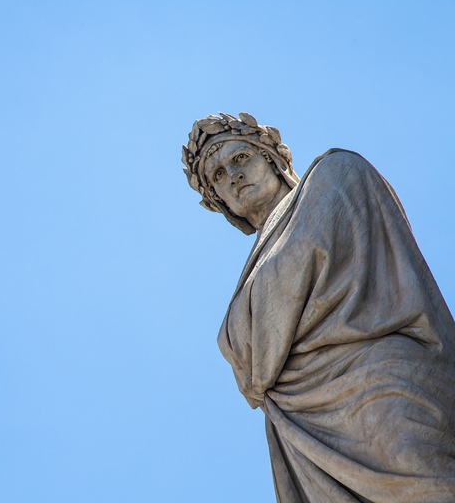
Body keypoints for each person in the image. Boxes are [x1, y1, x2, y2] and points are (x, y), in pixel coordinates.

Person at [181, 113, 455, 502]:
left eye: (240, 159)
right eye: (220, 176)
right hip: (301, 425)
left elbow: (293, 271)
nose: (233, 176)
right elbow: (251, 362)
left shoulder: (333, 174)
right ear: (219, 202)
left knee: (427, 479)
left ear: (271, 157)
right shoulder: (251, 275)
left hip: (375, 376)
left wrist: (254, 326)